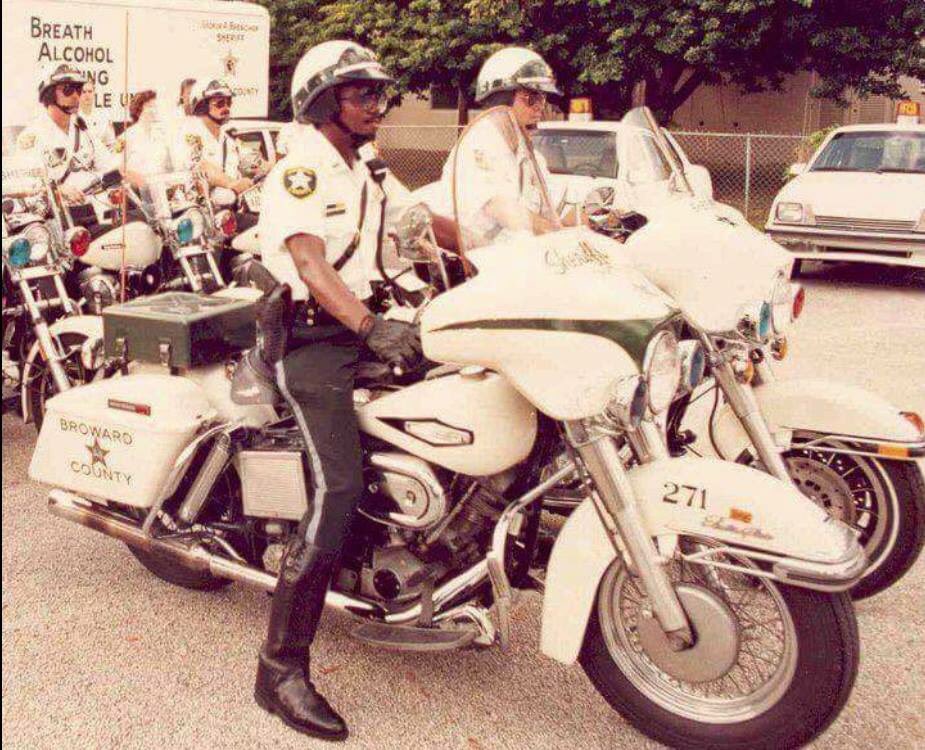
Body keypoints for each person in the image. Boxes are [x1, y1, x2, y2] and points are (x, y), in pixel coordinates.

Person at [248, 39, 457, 742]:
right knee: (334, 488)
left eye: (379, 93)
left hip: (364, 328)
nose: (378, 105)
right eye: (362, 93)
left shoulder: (365, 167)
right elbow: (308, 262)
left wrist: (525, 249)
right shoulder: (302, 169)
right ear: (321, 100)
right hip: (311, 339)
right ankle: (279, 670)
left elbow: (426, 225)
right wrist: (370, 326)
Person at [438, 47, 577, 250]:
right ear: (502, 97)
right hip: (474, 264)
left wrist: (591, 221)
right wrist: (558, 236)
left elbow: (553, 209)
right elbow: (505, 211)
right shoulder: (477, 145)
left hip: (516, 261)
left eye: (542, 97)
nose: (540, 105)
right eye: (531, 97)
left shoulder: (531, 156)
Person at [15, 64, 141, 204]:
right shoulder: (33, 136)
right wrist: (58, 190)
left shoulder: (82, 130)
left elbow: (108, 164)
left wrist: (132, 173)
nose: (76, 96)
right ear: (48, 94)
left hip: (92, 208)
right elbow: (26, 184)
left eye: (78, 89)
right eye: (68, 90)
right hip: (55, 217)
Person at [171, 77, 252, 194]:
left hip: (229, 208)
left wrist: (272, 168)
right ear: (202, 106)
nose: (226, 108)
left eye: (229, 103)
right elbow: (201, 166)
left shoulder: (228, 140)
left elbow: (251, 160)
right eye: (220, 104)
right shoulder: (189, 134)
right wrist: (232, 183)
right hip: (199, 208)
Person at [115, 90, 173, 177]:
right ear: (139, 109)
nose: (154, 110)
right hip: (136, 187)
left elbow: (169, 167)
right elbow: (118, 168)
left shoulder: (162, 135)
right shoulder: (126, 137)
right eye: (150, 106)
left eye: (155, 107)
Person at [78, 79, 116, 150]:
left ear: (94, 93)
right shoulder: (73, 116)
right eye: (84, 92)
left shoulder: (103, 115)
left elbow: (111, 143)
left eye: (90, 91)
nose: (87, 95)